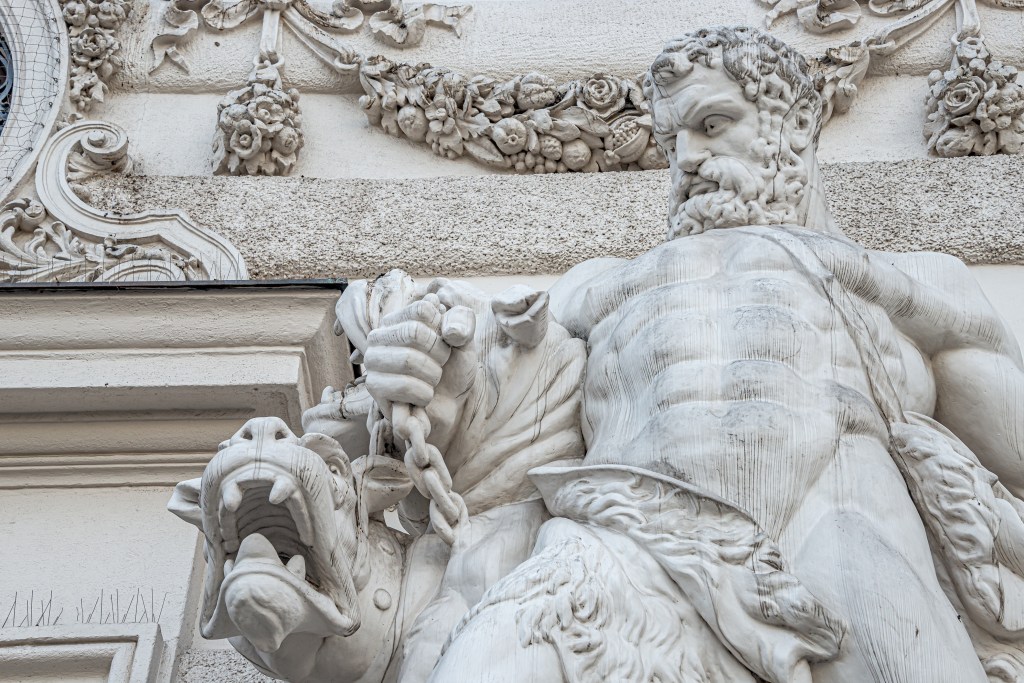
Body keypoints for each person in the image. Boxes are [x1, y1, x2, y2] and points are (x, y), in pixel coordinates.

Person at [363, 26, 1024, 682]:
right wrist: (429, 369)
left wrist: (868, 279)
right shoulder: (596, 284)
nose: (688, 158)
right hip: (628, 524)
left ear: (793, 127)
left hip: (834, 515)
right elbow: (501, 417)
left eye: (712, 124)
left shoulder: (913, 280)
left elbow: (1011, 450)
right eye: (674, 138)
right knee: (486, 659)